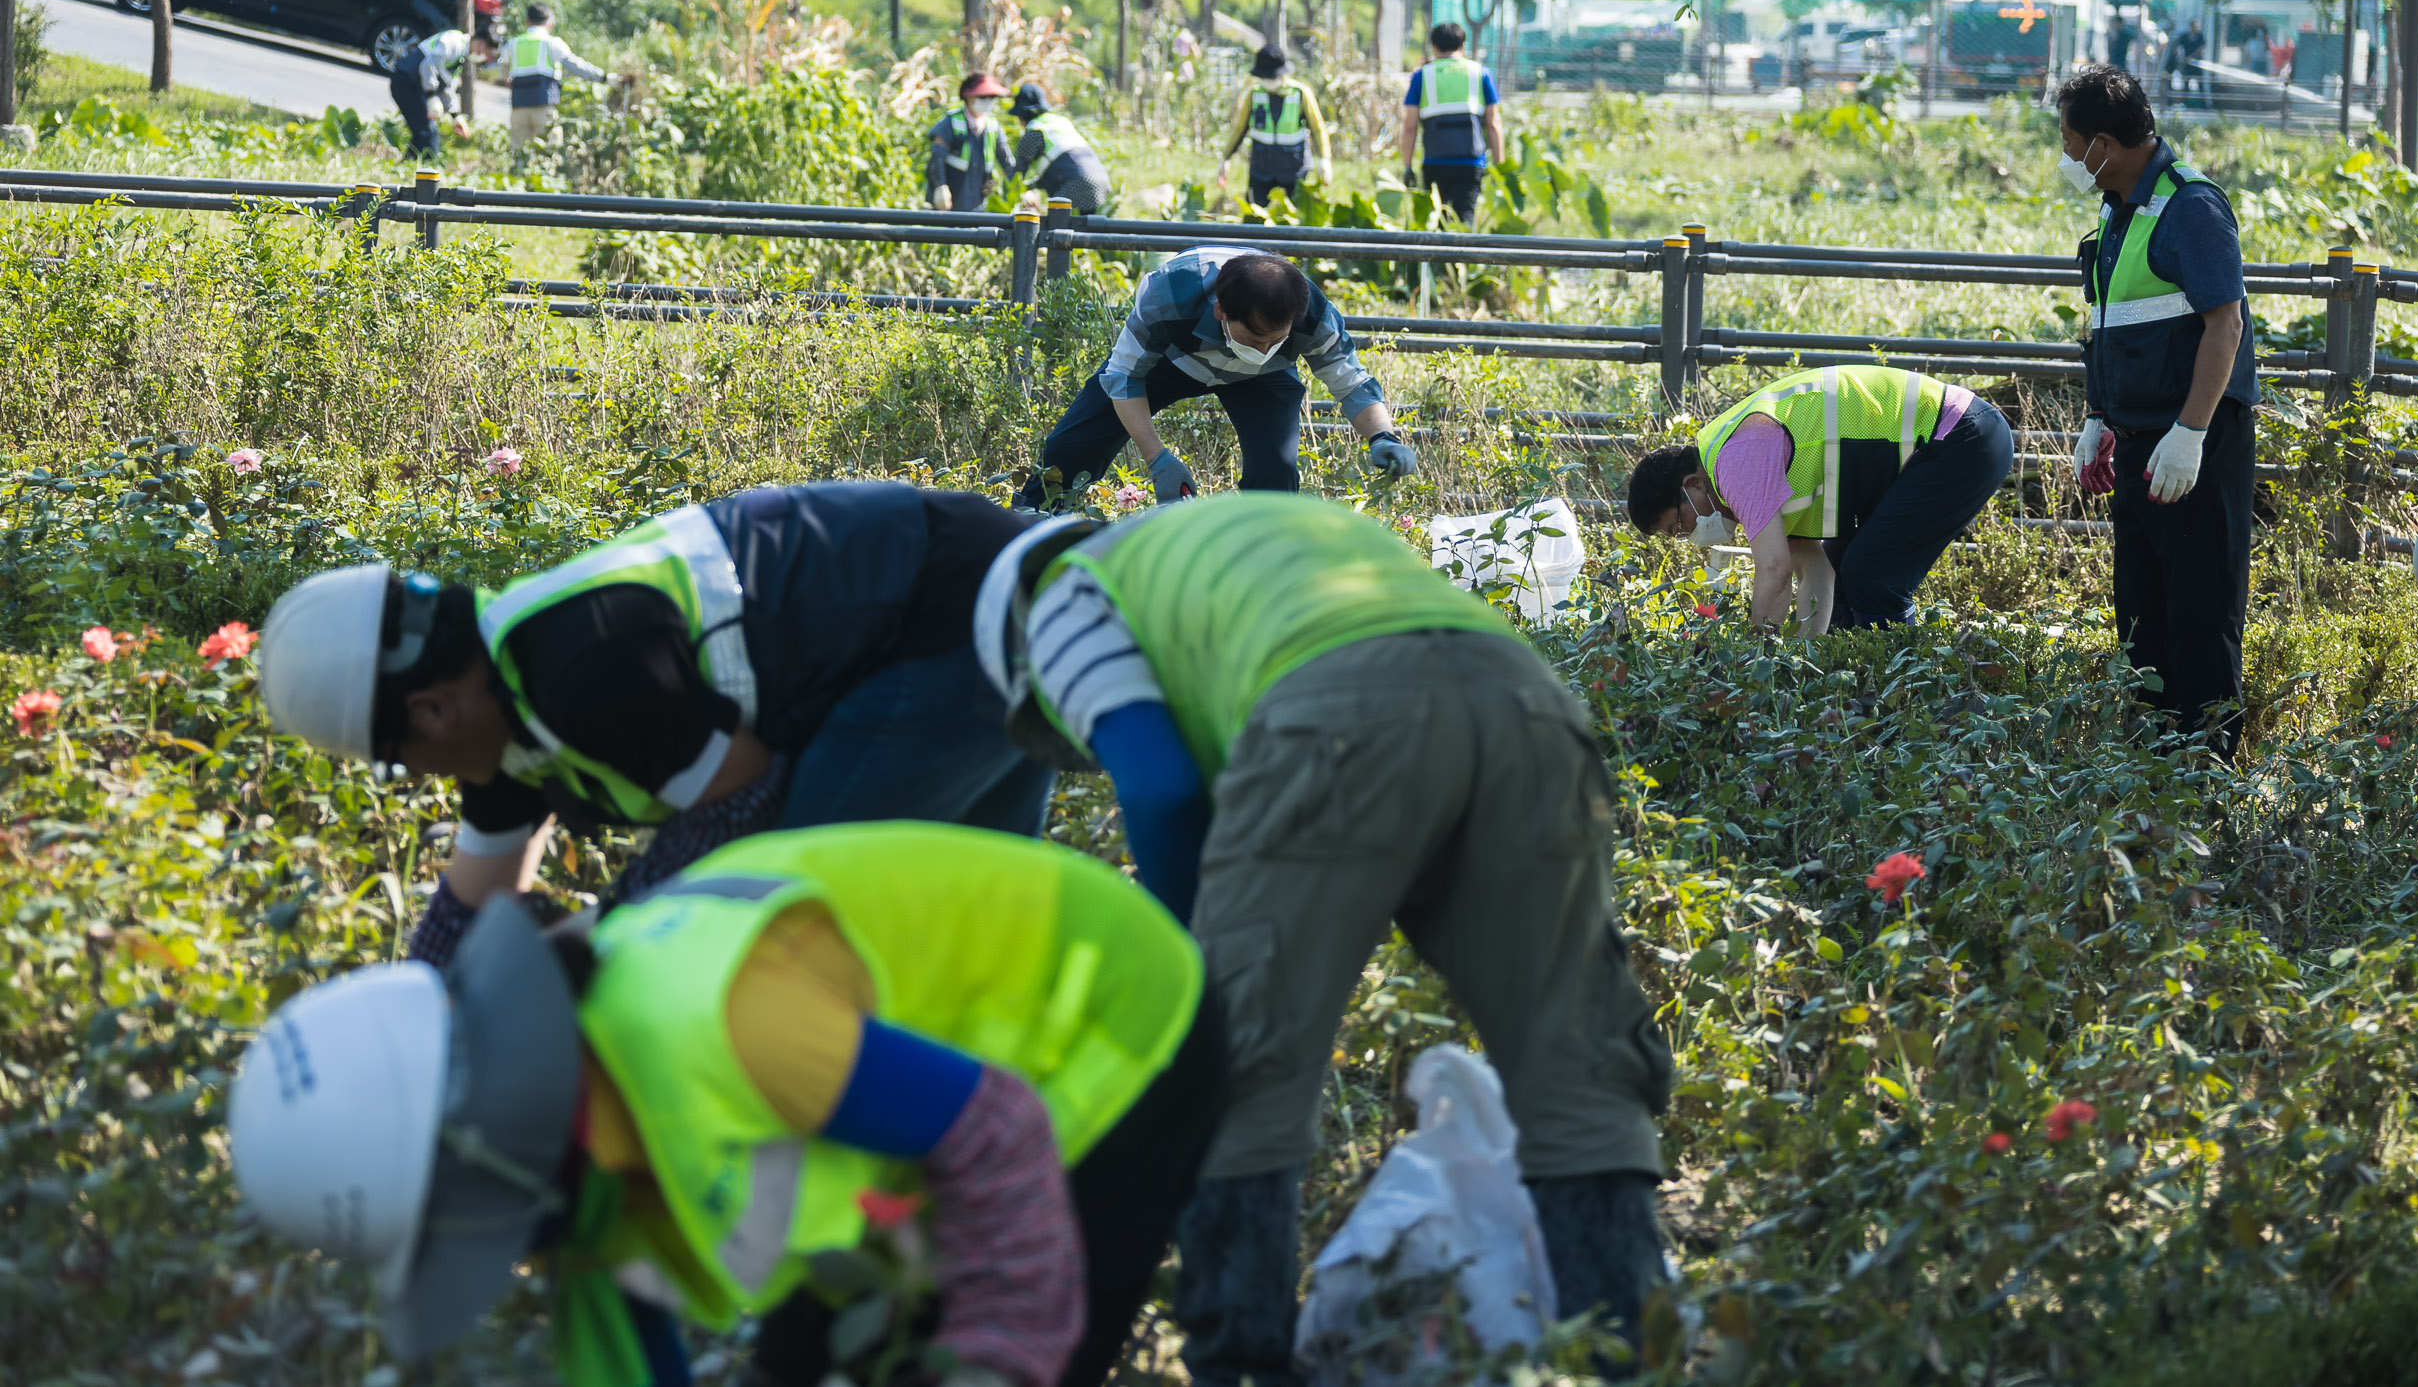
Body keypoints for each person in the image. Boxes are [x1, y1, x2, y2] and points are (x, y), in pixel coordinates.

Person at [974, 495, 1677, 1381]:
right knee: (1577, 1059)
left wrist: (1188, 970)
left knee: (1236, 1075)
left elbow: (1160, 789)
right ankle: (1629, 1350)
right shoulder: (1232, 537)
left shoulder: (1063, 595)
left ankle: (1245, 1360)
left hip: (1334, 714)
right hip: (1525, 701)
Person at [225, 823, 1227, 1387]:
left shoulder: (723, 1018)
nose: (507, 1250)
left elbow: (996, 1131)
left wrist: (993, 1358)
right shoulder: (571, 1148)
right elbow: (631, 1351)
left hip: (1103, 1028)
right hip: (908, 1121)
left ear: (489, 1151)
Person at [254, 481, 1057, 965]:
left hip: (950, 616)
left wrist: (601, 934)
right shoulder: (503, 713)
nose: (422, 776)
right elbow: (470, 905)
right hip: (968, 591)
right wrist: (417, 1018)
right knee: (982, 927)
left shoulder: (577, 665)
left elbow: (740, 799)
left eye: (399, 758)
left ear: (430, 710)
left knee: (800, 900)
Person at [2059, 63, 2256, 757]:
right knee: (2143, 627)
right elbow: (2113, 325)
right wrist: (2097, 416)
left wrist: (2191, 431)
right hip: (2140, 448)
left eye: (2070, 139)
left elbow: (2223, 325)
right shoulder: (2120, 213)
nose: (2065, 155)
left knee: (2200, 623)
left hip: (2193, 448)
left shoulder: (2189, 208)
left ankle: (2207, 786)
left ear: (2104, 144)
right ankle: (2153, 778)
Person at [1013, 246, 1416, 508]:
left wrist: (1382, 436)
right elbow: (1122, 378)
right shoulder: (1168, 293)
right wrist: (1158, 459)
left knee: (1275, 472)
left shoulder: (1309, 313)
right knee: (1072, 446)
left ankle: (1264, 561)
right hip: (1169, 362)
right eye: (1254, 337)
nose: (1261, 349)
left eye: (1275, 339)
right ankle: (1032, 518)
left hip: (1266, 380)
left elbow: (1351, 381)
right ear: (1222, 310)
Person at [1625, 365, 2014, 633]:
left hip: (1959, 436)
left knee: (1871, 576)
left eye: (1680, 525)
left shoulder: (1733, 461)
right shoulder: (1740, 465)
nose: (1690, 535)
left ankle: (1901, 704)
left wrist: (1756, 670)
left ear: (1692, 485)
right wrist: (1801, 660)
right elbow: (1817, 571)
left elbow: (1774, 570)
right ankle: (1857, 704)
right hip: (1954, 437)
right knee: (1848, 572)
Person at [1397, 22, 1505, 225]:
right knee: (1465, 219)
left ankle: (1438, 257)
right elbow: (1493, 124)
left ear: (1434, 46)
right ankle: (1463, 257)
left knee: (1437, 222)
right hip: (1470, 161)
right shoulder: (1480, 73)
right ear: (1462, 45)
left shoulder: (1422, 76)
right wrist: (1499, 164)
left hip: (1435, 161)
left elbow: (1410, 126)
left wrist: (1407, 165)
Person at [1213, 44, 1332, 209]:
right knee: (1254, 217)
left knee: (1294, 219)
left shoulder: (1300, 93)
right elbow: (1239, 129)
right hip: (1261, 168)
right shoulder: (1253, 94)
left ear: (1282, 75)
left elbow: (1318, 128)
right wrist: (1225, 158)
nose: (1267, 81)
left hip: (1294, 168)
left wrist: (1325, 159)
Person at [499, 1, 608, 158]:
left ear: (527, 22)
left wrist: (507, 80)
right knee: (549, 154)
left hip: (518, 108)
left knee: (519, 155)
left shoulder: (513, 43)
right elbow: (574, 65)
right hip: (544, 109)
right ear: (550, 23)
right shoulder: (551, 43)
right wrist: (602, 77)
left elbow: (503, 68)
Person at [1007, 83, 1112, 215]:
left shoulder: (1034, 131)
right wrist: (1033, 186)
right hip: (1101, 179)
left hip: (1076, 184)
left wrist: (1015, 192)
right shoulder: (1060, 121)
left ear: (1022, 116)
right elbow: (1060, 162)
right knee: (1088, 230)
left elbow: (1018, 174)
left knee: (1056, 228)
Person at [391, 25, 494, 159]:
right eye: (485, 52)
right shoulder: (453, 42)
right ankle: (425, 172)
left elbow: (446, 85)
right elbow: (428, 66)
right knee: (428, 132)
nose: (482, 56)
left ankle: (410, 166)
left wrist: (455, 115)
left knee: (425, 132)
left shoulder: (460, 55)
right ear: (481, 43)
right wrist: (431, 96)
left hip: (413, 85)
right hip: (405, 82)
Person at [930, 73, 1014, 212]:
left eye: (991, 97)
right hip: (949, 203)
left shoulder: (993, 127)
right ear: (969, 96)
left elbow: (1009, 164)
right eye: (983, 97)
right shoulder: (951, 122)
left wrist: (1017, 187)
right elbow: (937, 156)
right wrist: (940, 186)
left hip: (978, 205)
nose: (988, 101)